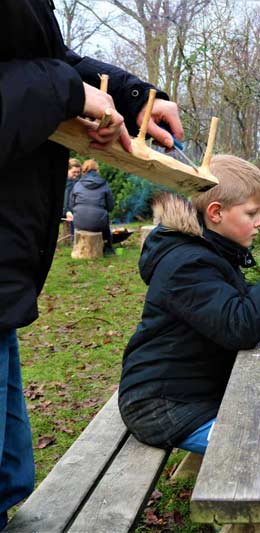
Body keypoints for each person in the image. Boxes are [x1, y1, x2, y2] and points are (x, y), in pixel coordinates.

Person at [0, 2, 183, 526]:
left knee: (9, 480)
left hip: (7, 285)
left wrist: (131, 99)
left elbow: (44, 58)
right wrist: (68, 92)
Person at [118, 155, 260, 455]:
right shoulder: (185, 263)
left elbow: (231, 300)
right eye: (252, 213)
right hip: (163, 406)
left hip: (196, 391)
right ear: (216, 212)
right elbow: (239, 327)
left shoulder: (208, 250)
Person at [69, 159, 115, 255]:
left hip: (79, 223)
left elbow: (71, 206)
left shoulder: (77, 185)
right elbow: (110, 207)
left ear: (83, 171)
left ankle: (75, 245)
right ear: (97, 170)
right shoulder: (104, 184)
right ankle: (108, 248)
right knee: (105, 221)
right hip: (98, 224)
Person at [63, 158, 81, 237]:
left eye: (78, 172)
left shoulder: (77, 181)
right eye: (74, 172)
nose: (76, 174)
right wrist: (66, 211)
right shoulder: (66, 182)